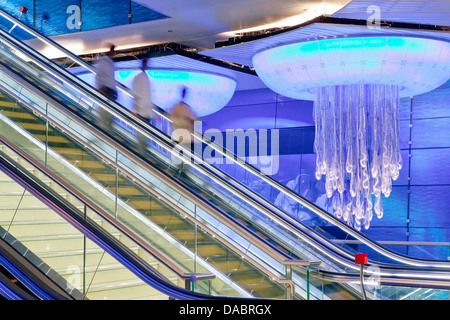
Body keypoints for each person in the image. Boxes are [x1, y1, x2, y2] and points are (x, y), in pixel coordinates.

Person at [170, 86, 199, 171]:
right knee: (182, 157)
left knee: (186, 158)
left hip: (188, 137)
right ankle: (181, 171)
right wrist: (187, 121)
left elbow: (195, 120)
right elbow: (174, 121)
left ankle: (183, 171)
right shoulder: (177, 107)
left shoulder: (187, 108)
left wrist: (191, 121)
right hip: (181, 136)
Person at [131, 56, 156, 151]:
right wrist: (135, 111)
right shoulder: (139, 78)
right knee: (142, 137)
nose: (146, 64)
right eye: (145, 62)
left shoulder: (145, 78)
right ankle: (140, 155)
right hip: (141, 113)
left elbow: (147, 97)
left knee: (144, 137)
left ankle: (141, 153)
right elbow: (136, 96)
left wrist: (153, 112)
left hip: (146, 113)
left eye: (147, 62)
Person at [95, 44, 117, 131]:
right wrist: (99, 87)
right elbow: (99, 75)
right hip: (105, 90)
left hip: (109, 90)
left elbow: (111, 78)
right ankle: (103, 126)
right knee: (105, 108)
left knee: (109, 109)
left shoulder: (111, 63)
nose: (113, 53)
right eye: (112, 51)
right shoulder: (104, 61)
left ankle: (108, 127)